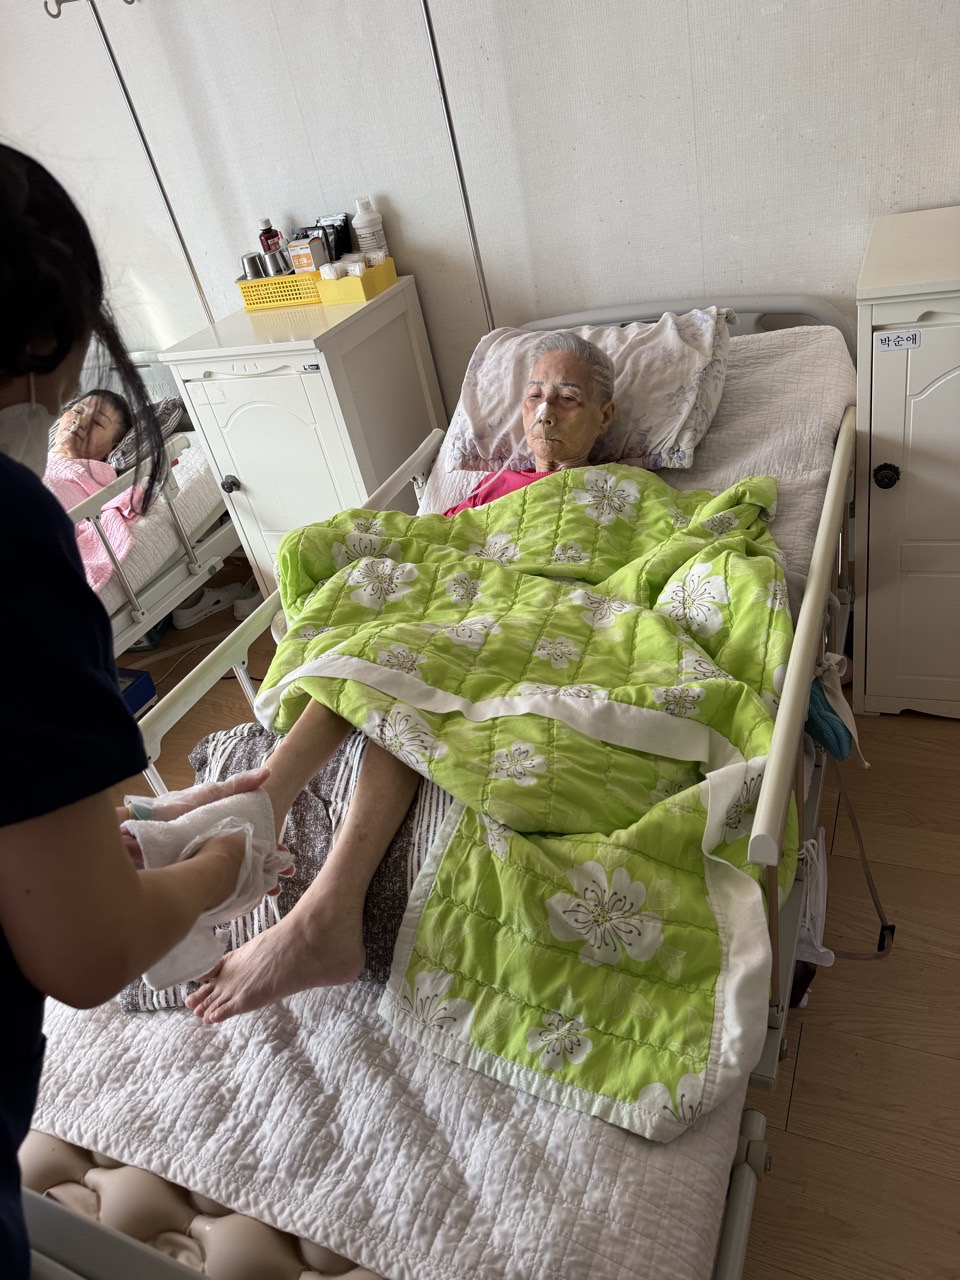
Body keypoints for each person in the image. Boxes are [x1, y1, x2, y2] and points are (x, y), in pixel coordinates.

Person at [0, 144, 282, 1276]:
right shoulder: (11, 533)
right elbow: (89, 952)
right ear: (43, 335)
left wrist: (118, 835)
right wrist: (223, 866)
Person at [185, 333, 616, 1025]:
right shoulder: (490, 489)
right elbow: (432, 550)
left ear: (604, 416)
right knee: (379, 623)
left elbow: (638, 563)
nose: (544, 412)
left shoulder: (622, 491)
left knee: (409, 655)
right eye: (534, 395)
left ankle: (315, 891)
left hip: (533, 618)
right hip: (457, 605)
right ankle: (266, 803)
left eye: (567, 398)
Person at [51, 389, 133, 463]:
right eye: (77, 411)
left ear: (113, 447)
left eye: (96, 422)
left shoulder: (94, 473)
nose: (79, 421)